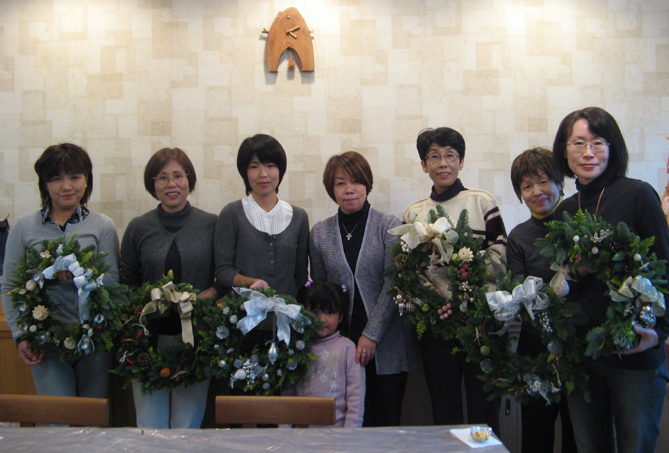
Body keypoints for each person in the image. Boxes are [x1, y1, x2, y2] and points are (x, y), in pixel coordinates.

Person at [552, 107, 669, 453]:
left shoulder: (638, 195)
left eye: (598, 143)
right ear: (564, 150)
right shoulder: (565, 210)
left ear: (612, 147)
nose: (588, 153)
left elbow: (665, 268)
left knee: (636, 446)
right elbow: (562, 284)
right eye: (578, 143)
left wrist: (660, 333)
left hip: (634, 353)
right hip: (582, 356)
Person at [402, 127, 506, 430]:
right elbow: (407, 271)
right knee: (444, 409)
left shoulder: (482, 202)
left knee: (484, 410)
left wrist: (460, 262)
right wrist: (433, 296)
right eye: (434, 157)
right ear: (424, 165)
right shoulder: (414, 214)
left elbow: (500, 261)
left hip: (480, 323)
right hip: (436, 324)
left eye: (450, 155)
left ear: (461, 161)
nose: (443, 163)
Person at [1, 143, 119, 398]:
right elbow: (10, 286)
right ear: (45, 184)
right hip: (44, 344)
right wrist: (21, 335)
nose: (66, 186)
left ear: (86, 180)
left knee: (91, 417)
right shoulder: (23, 227)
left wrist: (81, 275)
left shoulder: (103, 226)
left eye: (74, 177)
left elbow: (112, 280)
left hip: (94, 342)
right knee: (58, 417)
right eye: (56, 179)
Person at [310, 151, 416, 427]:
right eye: (340, 183)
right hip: (340, 345)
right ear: (331, 189)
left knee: (385, 423)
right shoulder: (319, 233)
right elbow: (320, 290)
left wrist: (371, 334)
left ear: (367, 184)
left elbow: (394, 284)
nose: (349, 189)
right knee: (346, 424)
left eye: (356, 181)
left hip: (387, 343)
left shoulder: (389, 225)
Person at [119, 147, 218, 428]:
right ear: (152, 184)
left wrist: (202, 297)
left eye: (178, 176)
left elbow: (223, 278)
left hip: (196, 341)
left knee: (187, 427)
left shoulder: (211, 224)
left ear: (190, 180)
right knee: (150, 427)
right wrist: (147, 303)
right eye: (162, 177)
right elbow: (126, 281)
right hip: (147, 341)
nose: (171, 184)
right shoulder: (138, 228)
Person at [508, 148, 577, 453]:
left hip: (579, 346)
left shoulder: (580, 224)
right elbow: (518, 292)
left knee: (579, 435)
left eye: (544, 181)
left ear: (560, 182)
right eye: (527, 186)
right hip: (535, 346)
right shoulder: (519, 236)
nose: (536, 192)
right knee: (536, 435)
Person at [214, 134, 309, 297]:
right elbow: (223, 271)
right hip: (242, 310)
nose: (263, 174)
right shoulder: (231, 213)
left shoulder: (299, 217)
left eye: (270, 165)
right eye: (254, 166)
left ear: (280, 170)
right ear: (244, 171)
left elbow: (300, 277)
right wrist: (251, 282)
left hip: (287, 310)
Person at [283, 282, 365, 427]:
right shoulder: (298, 347)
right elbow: (288, 396)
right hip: (302, 434)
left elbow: (356, 398)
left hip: (337, 435)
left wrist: (351, 434)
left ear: (340, 317)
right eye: (315, 312)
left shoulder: (347, 348)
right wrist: (284, 433)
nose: (321, 319)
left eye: (330, 312)